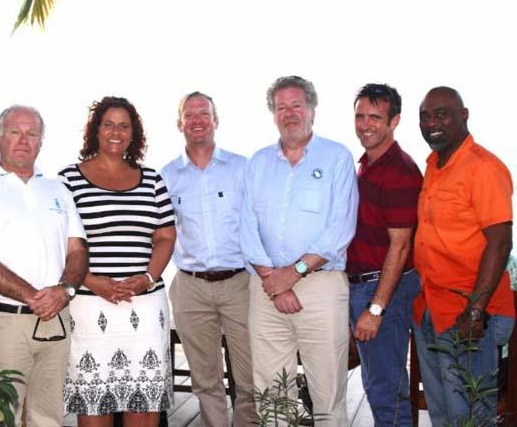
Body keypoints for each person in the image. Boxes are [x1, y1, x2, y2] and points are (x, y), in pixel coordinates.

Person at [240, 76, 358, 427]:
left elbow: (340, 228)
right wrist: (272, 280)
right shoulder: (257, 163)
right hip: (265, 289)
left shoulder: (337, 158)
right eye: (281, 107)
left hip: (320, 286)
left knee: (327, 391)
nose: (289, 114)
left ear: (312, 110)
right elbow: (246, 227)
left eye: (296, 105)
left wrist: (291, 275)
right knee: (272, 392)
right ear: (273, 114)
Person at [0, 105, 89, 427]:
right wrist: (33, 295)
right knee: (0, 419)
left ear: (41, 142)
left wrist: (65, 290)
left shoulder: (59, 190)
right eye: (15, 132)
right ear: (0, 137)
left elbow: (77, 249)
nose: (23, 140)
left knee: (48, 418)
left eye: (32, 133)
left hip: (57, 320)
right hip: (4, 324)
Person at [59, 96, 176, 427]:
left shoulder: (152, 180)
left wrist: (148, 277)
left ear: (133, 133)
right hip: (89, 306)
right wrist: (92, 282)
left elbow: (166, 237)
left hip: (145, 306)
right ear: (95, 130)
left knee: (144, 401)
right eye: (108, 124)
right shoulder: (67, 180)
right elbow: (58, 243)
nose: (115, 132)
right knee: (95, 403)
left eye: (124, 126)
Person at [412, 87, 515, 426]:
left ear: (464, 115)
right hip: (433, 306)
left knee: (470, 416)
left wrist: (475, 310)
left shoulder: (482, 167)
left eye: (441, 113)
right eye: (425, 116)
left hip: (470, 316)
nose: (431, 123)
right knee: (442, 412)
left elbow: (500, 242)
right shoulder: (435, 165)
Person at [162, 92, 256, 426]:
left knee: (249, 378)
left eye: (205, 113)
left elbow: (259, 223)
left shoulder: (242, 168)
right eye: (190, 114)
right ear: (179, 123)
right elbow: (159, 234)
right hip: (190, 287)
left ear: (216, 120)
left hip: (239, 284)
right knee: (205, 380)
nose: (198, 120)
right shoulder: (167, 175)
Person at [346, 84, 422, 426]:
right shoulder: (366, 165)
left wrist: (375, 309)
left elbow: (401, 246)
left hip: (383, 291)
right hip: (361, 285)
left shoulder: (400, 171)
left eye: (375, 117)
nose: (365, 124)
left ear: (395, 121)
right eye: (360, 116)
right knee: (378, 382)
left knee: (386, 386)